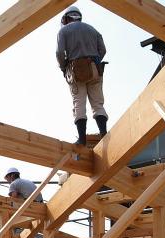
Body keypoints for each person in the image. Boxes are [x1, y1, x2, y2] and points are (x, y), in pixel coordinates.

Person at [56, 6, 108, 145]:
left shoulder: (63, 31)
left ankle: (82, 139)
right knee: (98, 104)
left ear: (66, 18)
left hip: (76, 70)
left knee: (79, 103)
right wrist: (94, 61)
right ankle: (104, 134)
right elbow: (103, 50)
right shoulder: (92, 29)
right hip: (95, 68)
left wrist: (64, 68)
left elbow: (59, 53)